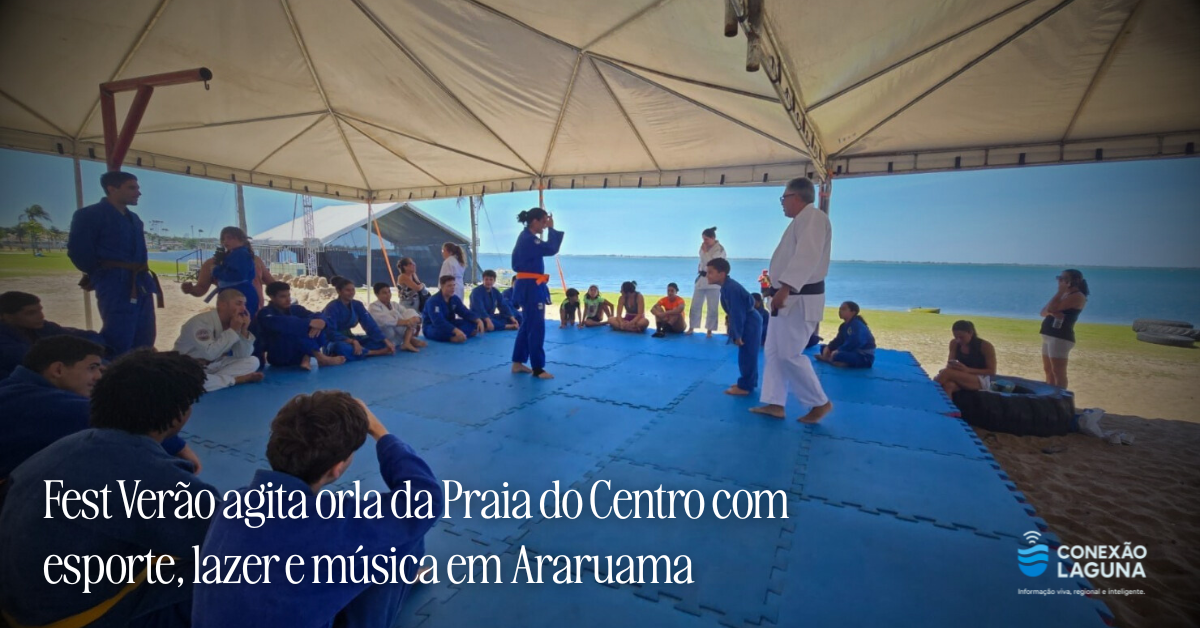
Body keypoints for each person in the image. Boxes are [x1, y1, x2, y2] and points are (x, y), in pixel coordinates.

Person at [0, 349, 215, 628]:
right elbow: (225, 538)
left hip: (20, 601)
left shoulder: (70, 444)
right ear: (178, 415)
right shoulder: (154, 475)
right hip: (69, 617)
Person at [192, 391, 443, 628]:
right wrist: (380, 432)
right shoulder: (335, 524)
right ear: (336, 468)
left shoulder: (235, 502)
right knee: (405, 536)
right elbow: (425, 500)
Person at [0, 336, 198, 480]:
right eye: (92, 368)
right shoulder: (58, 407)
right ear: (58, 370)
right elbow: (128, 420)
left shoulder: (11, 388)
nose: (98, 376)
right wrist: (179, 448)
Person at [752, 177, 833, 423]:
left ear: (796, 197)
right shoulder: (802, 220)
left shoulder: (814, 217)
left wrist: (785, 289)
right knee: (774, 351)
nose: (782, 204)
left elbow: (806, 257)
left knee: (789, 354)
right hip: (786, 298)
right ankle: (775, 403)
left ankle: (820, 403)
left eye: (784, 198)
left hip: (799, 298)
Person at [67, 171, 161, 354]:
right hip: (115, 282)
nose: (138, 193)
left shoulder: (135, 220)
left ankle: (145, 374)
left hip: (141, 282)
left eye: (138, 188)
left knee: (145, 334)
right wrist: (99, 274)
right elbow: (79, 251)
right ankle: (116, 375)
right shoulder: (89, 215)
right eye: (132, 188)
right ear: (112, 189)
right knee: (119, 334)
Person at [0, 291, 107, 379]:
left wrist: (95, 352)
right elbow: (34, 359)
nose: (41, 316)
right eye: (31, 313)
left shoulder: (42, 327)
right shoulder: (4, 340)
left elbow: (82, 337)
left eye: (40, 310)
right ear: (6, 317)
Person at [174, 289, 264, 391]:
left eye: (244, 304)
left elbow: (242, 355)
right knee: (189, 381)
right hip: (188, 367)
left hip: (214, 366)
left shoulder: (234, 322)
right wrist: (233, 330)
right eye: (239, 304)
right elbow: (210, 354)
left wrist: (244, 330)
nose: (243, 308)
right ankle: (235, 380)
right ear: (222, 305)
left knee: (253, 361)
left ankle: (216, 380)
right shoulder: (201, 322)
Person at [511, 207, 564, 379]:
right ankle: (538, 368)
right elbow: (551, 248)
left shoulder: (526, 237)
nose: (544, 225)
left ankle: (518, 363)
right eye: (543, 221)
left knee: (527, 324)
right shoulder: (528, 239)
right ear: (535, 221)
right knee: (536, 326)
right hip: (530, 287)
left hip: (530, 284)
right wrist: (552, 228)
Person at [181, 226, 273, 319]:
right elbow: (201, 288)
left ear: (241, 240)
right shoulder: (211, 263)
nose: (226, 241)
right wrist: (191, 289)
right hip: (228, 312)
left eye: (230, 238)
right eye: (223, 239)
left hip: (255, 312)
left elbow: (273, 285)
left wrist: (278, 304)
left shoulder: (255, 260)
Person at [257, 281, 349, 369]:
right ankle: (320, 357)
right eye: (283, 297)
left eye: (289, 295)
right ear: (272, 297)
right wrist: (309, 323)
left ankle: (306, 357)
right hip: (280, 356)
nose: (288, 299)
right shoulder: (265, 313)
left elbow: (318, 315)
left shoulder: (296, 309)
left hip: (297, 355)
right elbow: (285, 323)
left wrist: (321, 321)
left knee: (317, 327)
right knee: (294, 330)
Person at [706, 258, 763, 396]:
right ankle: (748, 382)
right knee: (746, 353)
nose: (707, 275)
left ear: (722, 273)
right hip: (748, 319)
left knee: (747, 354)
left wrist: (737, 335)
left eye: (711, 272)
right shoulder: (726, 286)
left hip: (749, 321)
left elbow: (737, 313)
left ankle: (745, 387)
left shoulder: (731, 288)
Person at [323, 276, 396, 359]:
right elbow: (330, 332)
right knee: (340, 348)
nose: (351, 293)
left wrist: (385, 341)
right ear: (339, 291)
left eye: (353, 290)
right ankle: (372, 353)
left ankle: (359, 352)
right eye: (347, 290)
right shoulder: (332, 307)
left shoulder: (357, 305)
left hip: (351, 337)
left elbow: (370, 324)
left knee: (381, 342)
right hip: (334, 341)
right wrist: (352, 341)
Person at [1040, 269, 1089, 389]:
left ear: (1074, 281)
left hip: (1060, 338)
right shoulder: (1064, 295)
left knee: (1058, 373)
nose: (1059, 281)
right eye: (1059, 278)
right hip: (1049, 336)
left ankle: (1059, 399)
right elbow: (1043, 312)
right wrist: (1053, 309)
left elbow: (1050, 309)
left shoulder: (1077, 296)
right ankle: (1048, 396)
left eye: (1063, 279)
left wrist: (1059, 292)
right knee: (1048, 370)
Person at [934, 320, 998, 396]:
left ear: (970, 333)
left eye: (961, 337)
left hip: (980, 379)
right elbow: (950, 363)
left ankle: (927, 392)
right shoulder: (954, 343)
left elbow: (991, 371)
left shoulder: (985, 346)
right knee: (948, 385)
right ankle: (944, 407)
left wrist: (967, 370)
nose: (958, 340)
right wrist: (953, 366)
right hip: (961, 376)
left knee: (946, 373)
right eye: (956, 337)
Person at [688, 227, 727, 337]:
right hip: (702, 278)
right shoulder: (703, 247)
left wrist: (705, 252)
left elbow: (711, 263)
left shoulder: (719, 249)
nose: (704, 241)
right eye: (703, 239)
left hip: (714, 280)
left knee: (712, 307)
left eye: (706, 239)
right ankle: (692, 327)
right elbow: (702, 261)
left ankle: (709, 330)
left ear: (713, 238)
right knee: (695, 304)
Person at [423, 276, 484, 343]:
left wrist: (478, 320)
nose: (452, 288)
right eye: (449, 286)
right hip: (433, 326)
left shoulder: (454, 299)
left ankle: (460, 335)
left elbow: (464, 312)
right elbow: (438, 321)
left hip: (451, 323)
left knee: (473, 323)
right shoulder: (433, 301)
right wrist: (456, 330)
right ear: (442, 286)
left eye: (454, 285)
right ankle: (452, 338)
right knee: (434, 331)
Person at [816, 301, 876, 368]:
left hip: (863, 356)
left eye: (843, 309)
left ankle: (832, 360)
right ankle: (836, 361)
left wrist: (839, 350)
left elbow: (855, 342)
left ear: (853, 312)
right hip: (850, 352)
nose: (840, 311)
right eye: (840, 309)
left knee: (838, 355)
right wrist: (829, 347)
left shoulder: (857, 325)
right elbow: (838, 340)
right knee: (823, 348)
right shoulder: (843, 326)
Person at [370, 283, 425, 352]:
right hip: (385, 337)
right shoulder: (373, 307)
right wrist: (408, 321)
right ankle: (410, 340)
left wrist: (416, 319)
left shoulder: (393, 304)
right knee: (394, 314)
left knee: (410, 311)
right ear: (377, 294)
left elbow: (406, 313)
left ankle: (407, 341)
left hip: (398, 336)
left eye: (389, 292)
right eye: (384, 293)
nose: (388, 295)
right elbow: (386, 321)